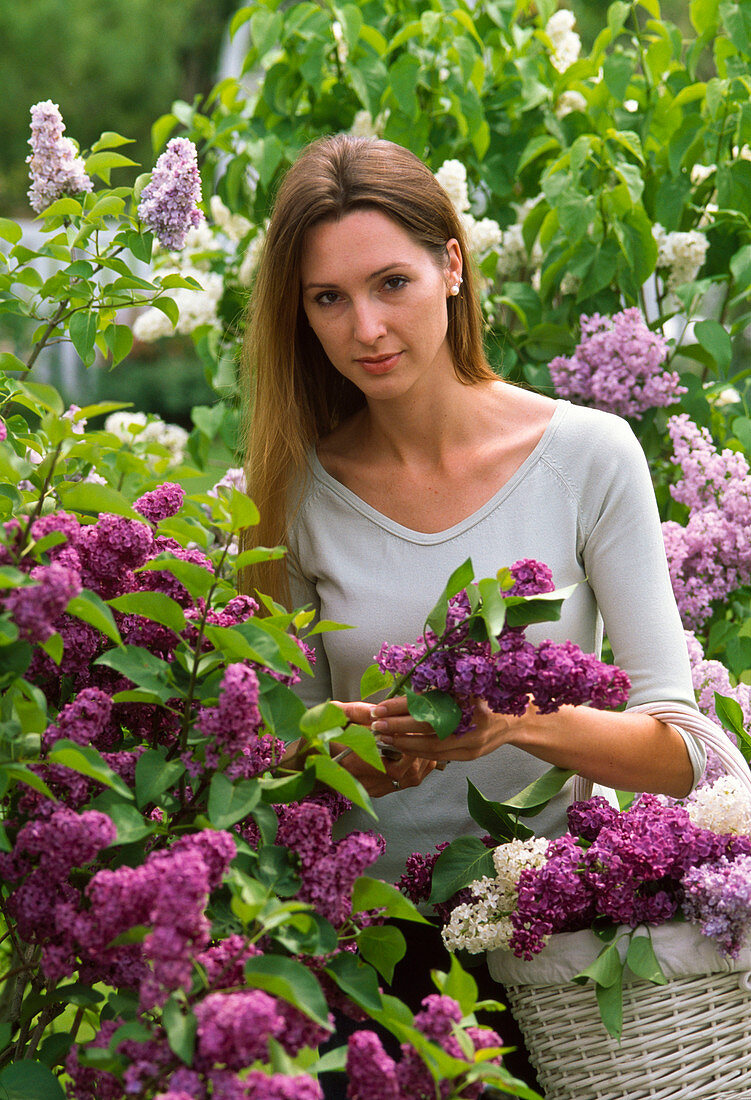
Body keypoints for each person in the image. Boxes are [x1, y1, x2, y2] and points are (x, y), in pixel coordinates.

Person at [239, 133, 705, 1090]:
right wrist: (344, 740)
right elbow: (270, 768)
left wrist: (507, 724)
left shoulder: (588, 455)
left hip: (560, 952)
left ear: (451, 265)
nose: (364, 326)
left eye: (390, 283)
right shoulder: (288, 492)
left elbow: (680, 749)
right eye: (329, 299)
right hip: (365, 965)